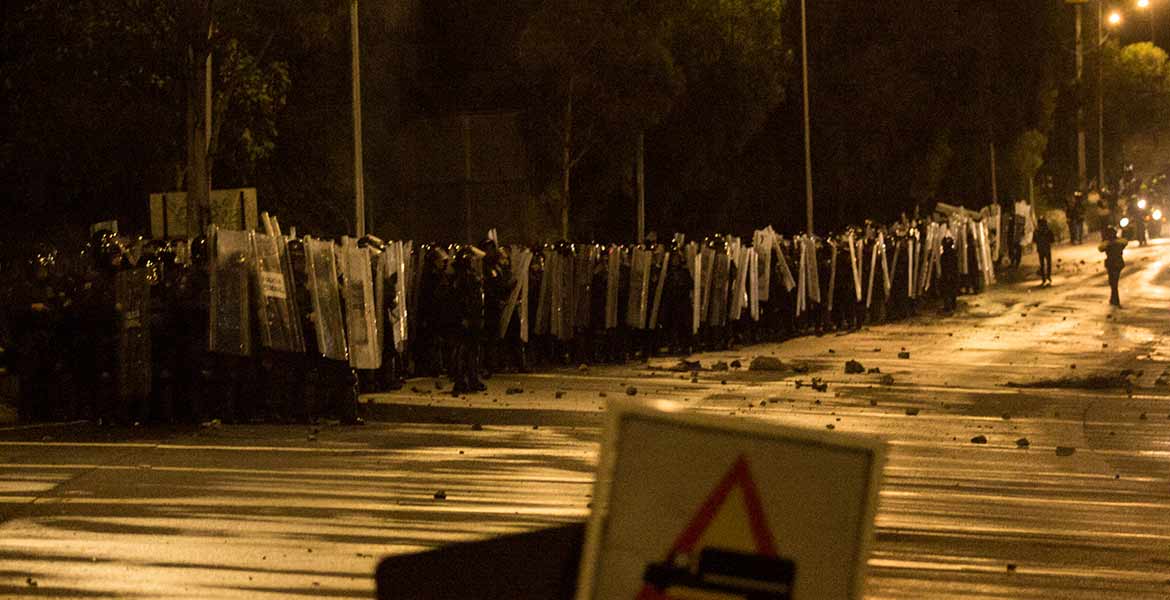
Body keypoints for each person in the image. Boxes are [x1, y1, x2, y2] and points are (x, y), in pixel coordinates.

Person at [1098, 226, 1128, 307]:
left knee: (1113, 283)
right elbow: (1125, 242)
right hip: (1118, 264)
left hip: (1112, 264)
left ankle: (1115, 300)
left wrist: (1109, 242)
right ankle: (1113, 299)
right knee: (1113, 282)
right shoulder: (1118, 242)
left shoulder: (1109, 243)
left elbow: (1100, 248)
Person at [1034, 218, 1055, 286]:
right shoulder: (1048, 231)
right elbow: (1052, 240)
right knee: (1048, 263)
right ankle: (1048, 276)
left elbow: (1034, 241)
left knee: (1042, 264)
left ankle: (1043, 278)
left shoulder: (1036, 231)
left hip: (1040, 249)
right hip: (1047, 249)